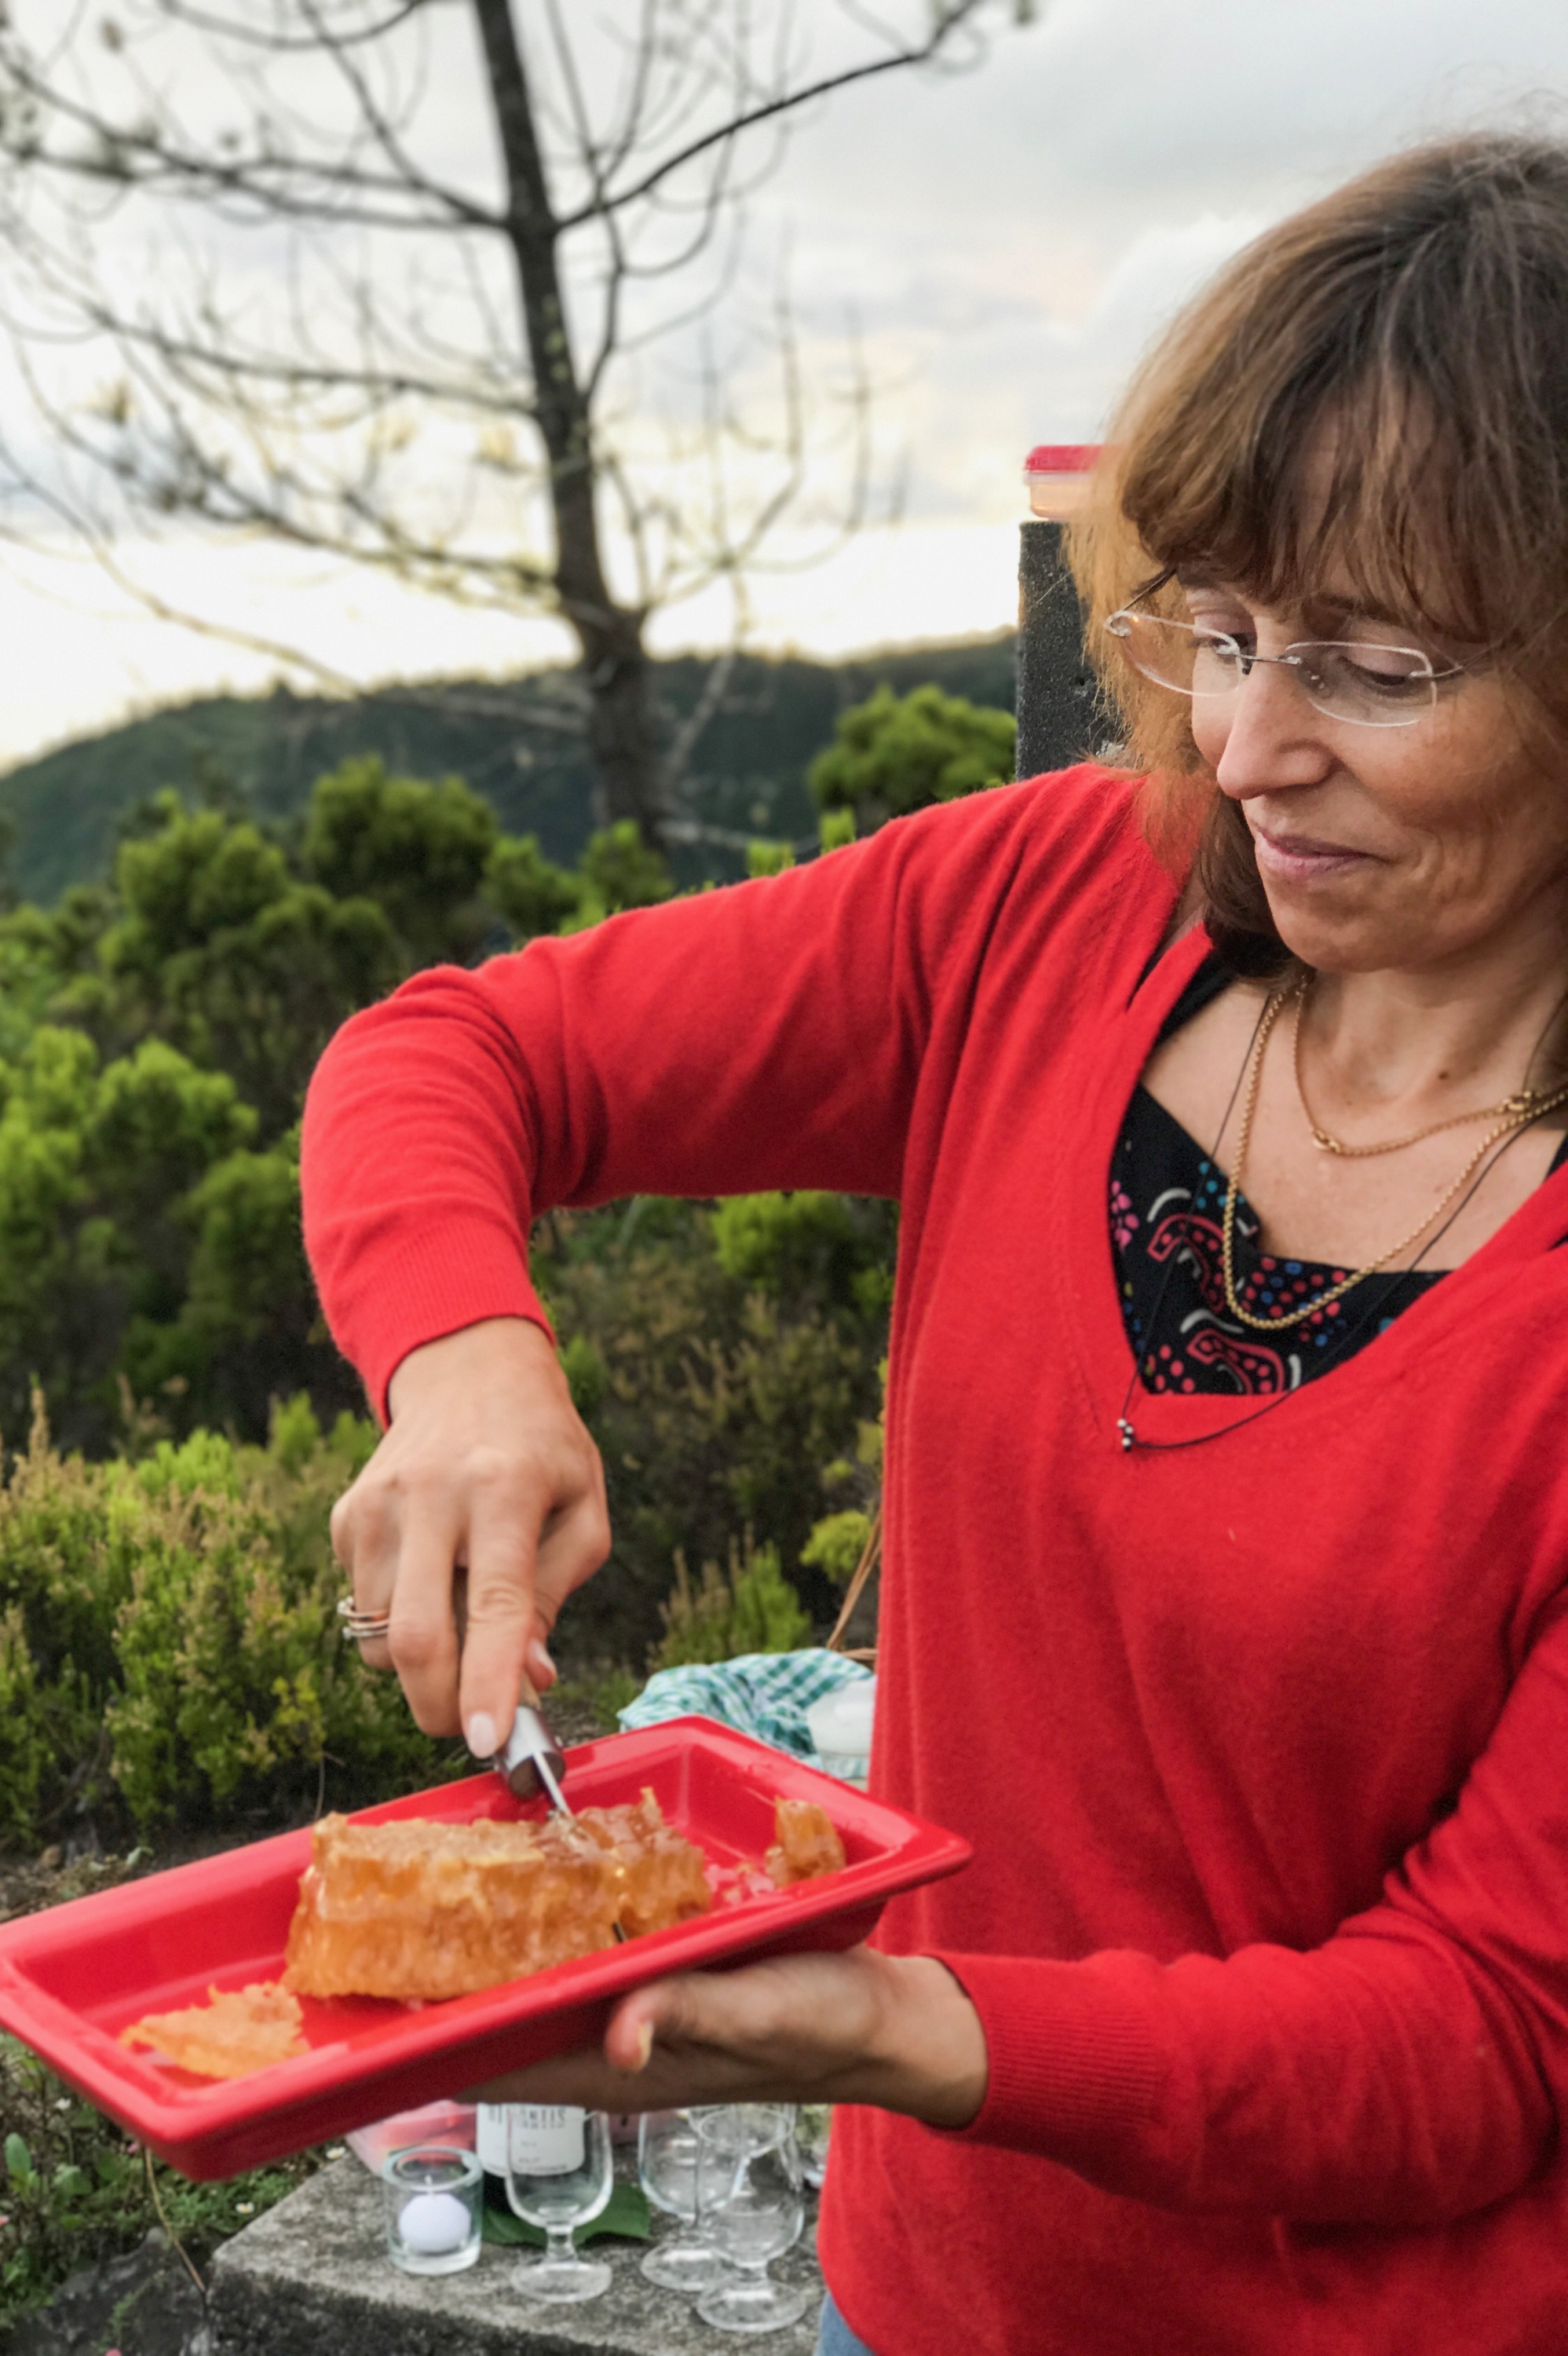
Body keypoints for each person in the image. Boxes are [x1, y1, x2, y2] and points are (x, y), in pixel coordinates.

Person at [302, 135, 1568, 2354]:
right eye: (1218, 627)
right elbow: (461, 1055)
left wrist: (901, 2032)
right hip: (907, 2304)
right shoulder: (1045, 906)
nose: (1245, 747)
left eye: (1374, 667)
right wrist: (462, 1357)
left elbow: (1478, 2042)